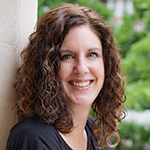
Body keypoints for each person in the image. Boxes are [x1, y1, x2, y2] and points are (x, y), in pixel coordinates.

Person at [6, 3, 126, 150]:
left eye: (92, 54)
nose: (81, 68)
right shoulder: (33, 137)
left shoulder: (98, 137)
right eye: (67, 56)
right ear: (47, 68)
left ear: (106, 64)